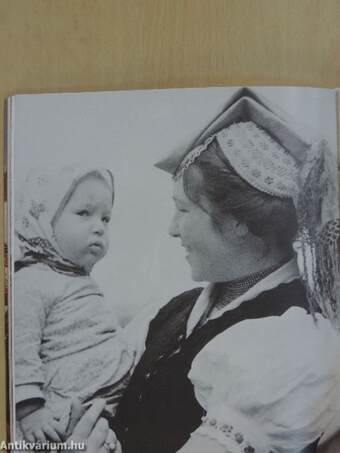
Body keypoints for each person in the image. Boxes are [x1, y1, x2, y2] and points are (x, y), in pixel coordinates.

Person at [68, 88, 340, 453]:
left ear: (238, 222)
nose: (172, 229)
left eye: (183, 210)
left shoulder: (292, 339)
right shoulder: (169, 312)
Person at [14, 166, 133, 444]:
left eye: (106, 218)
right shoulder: (32, 281)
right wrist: (30, 410)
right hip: (53, 412)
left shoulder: (78, 279)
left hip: (97, 406)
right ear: (43, 219)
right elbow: (19, 350)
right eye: (84, 213)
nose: (99, 226)